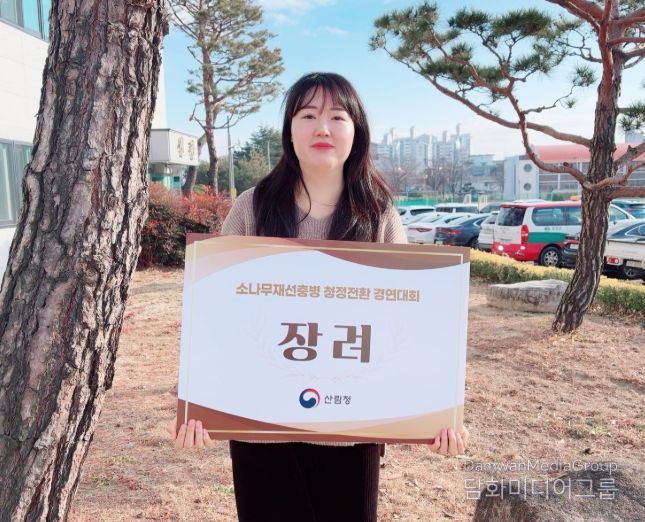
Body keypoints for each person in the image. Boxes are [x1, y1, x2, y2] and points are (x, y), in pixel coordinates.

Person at [172, 72, 469, 521]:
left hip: (352, 431)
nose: (322, 128)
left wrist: (437, 413)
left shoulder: (378, 214)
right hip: (261, 428)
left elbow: (411, 324)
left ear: (356, 131)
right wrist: (196, 402)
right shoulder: (252, 206)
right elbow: (215, 314)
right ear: (290, 131)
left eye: (337, 116)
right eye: (308, 115)